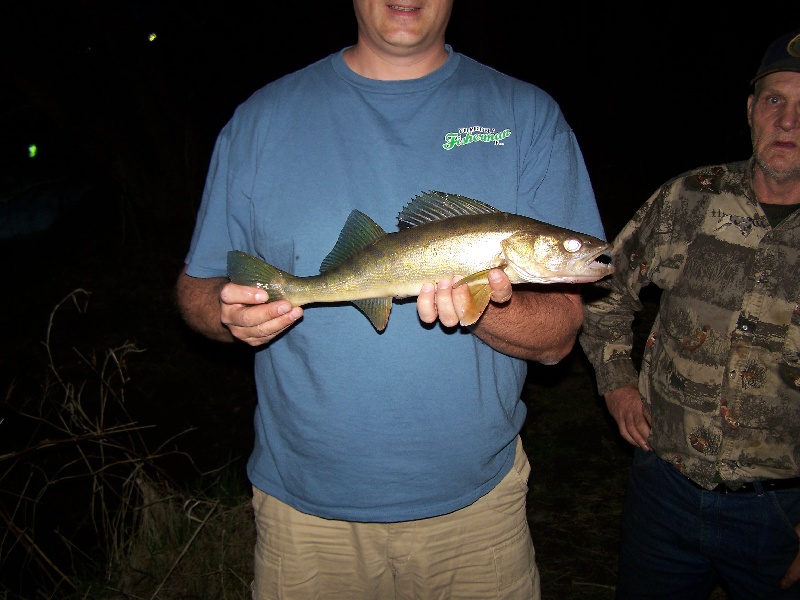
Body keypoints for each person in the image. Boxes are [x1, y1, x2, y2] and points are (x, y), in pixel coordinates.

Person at [175, 1, 606, 598]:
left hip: (477, 515)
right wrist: (227, 316)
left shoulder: (527, 116)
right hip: (304, 518)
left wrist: (484, 306)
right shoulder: (260, 120)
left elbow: (562, 337)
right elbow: (198, 288)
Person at [579, 27, 800, 600]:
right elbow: (605, 283)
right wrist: (617, 382)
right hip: (664, 489)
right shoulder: (689, 199)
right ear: (751, 109)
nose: (788, 121)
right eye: (775, 99)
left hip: (781, 508)